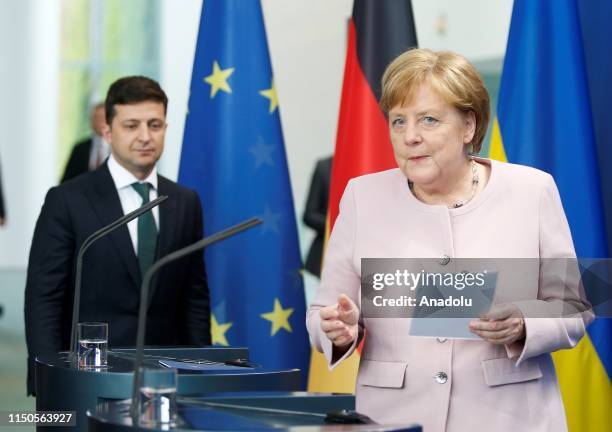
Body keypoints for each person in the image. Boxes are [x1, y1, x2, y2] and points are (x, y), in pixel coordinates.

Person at [306, 49, 590, 432]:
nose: (410, 136)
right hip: (395, 417)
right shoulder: (362, 197)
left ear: (468, 126)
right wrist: (338, 328)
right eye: (398, 121)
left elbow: (573, 306)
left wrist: (525, 322)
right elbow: (323, 312)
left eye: (428, 119)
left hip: (508, 416)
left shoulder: (532, 191)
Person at [25, 76, 211, 396]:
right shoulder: (68, 200)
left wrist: (201, 374)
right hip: (87, 377)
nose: (144, 136)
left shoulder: (185, 201)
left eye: (154, 124)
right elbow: (44, 299)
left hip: (164, 381)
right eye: (131, 125)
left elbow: (193, 298)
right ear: (108, 132)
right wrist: (49, 377)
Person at [60, 102, 111, 183]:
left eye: (102, 117)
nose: (100, 122)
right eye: (96, 118)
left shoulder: (117, 148)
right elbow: (66, 181)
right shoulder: (79, 149)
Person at [303, 156, 332, 277]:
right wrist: (339, 225)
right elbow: (309, 215)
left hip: (372, 257)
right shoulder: (324, 167)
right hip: (326, 254)